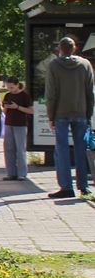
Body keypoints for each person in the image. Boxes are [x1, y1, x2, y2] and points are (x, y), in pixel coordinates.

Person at [45, 36, 95, 200]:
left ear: (60, 49)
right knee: (80, 149)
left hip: (60, 113)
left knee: (62, 150)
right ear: (74, 48)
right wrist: (88, 114)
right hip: (80, 112)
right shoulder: (85, 65)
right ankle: (84, 186)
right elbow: (90, 92)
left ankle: (66, 187)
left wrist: (51, 115)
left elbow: (51, 94)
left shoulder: (53, 66)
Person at [0, 75, 33, 181]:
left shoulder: (24, 96)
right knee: (8, 148)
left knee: (20, 149)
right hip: (8, 123)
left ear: (18, 85)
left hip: (21, 124)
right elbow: (4, 112)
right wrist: (5, 108)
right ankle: (11, 172)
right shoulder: (7, 95)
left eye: (12, 87)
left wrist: (17, 107)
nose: (10, 90)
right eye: (8, 88)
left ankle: (22, 173)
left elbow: (31, 110)